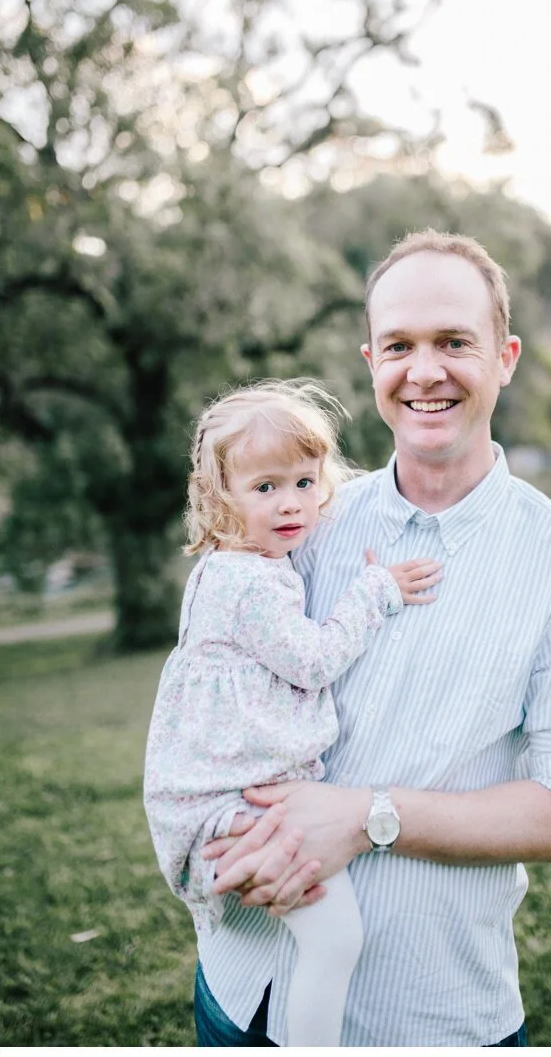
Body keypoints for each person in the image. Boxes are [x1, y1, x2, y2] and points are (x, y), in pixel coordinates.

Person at [189, 230, 551, 1046]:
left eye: (453, 343)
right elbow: (219, 690)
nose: (424, 371)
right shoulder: (303, 527)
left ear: (504, 357)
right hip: (242, 985)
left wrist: (369, 815)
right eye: (399, 345)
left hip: (427, 1013)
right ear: (371, 363)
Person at [144, 379, 443, 1047]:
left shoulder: (226, 567)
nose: (292, 504)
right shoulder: (250, 581)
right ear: (221, 496)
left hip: (215, 793)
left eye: (306, 482)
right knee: (337, 937)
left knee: (330, 935)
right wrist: (375, 592)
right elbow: (312, 659)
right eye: (266, 487)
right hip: (228, 801)